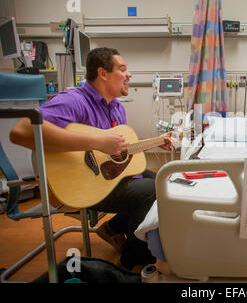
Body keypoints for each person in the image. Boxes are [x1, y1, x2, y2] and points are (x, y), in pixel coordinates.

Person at [9, 47, 173, 272]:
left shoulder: (116, 108)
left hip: (104, 179)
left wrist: (155, 142)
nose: (129, 75)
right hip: (76, 186)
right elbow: (21, 132)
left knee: (164, 183)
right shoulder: (74, 100)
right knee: (151, 191)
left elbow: (114, 155)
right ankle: (130, 265)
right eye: (122, 69)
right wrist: (96, 142)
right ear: (103, 73)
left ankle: (113, 228)